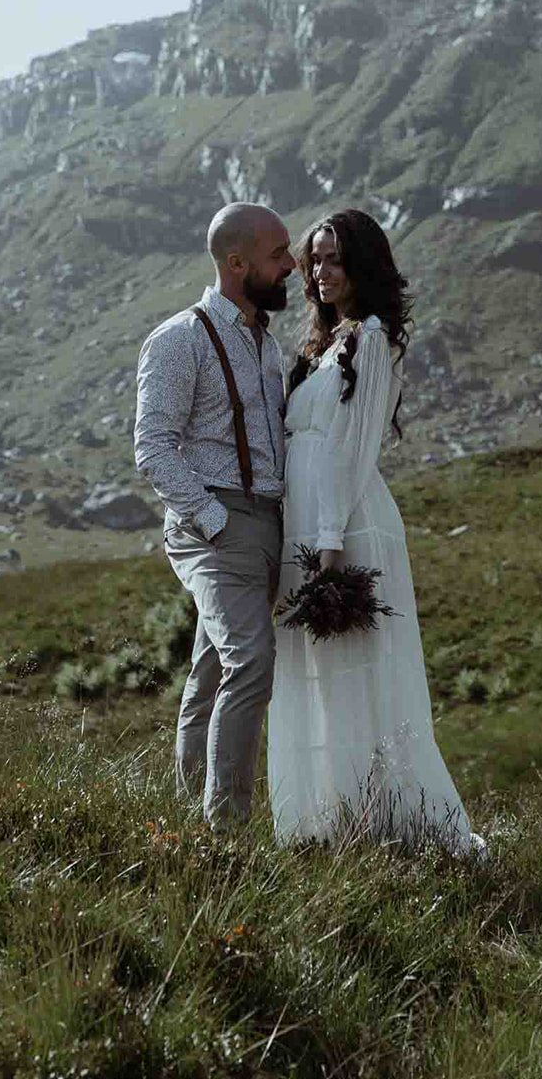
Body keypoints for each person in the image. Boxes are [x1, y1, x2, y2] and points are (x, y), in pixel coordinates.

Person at [268, 207, 482, 854]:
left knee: (355, 670)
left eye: (334, 259)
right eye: (314, 260)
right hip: (304, 519)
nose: (321, 272)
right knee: (314, 671)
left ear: (361, 264)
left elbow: (351, 449)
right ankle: (326, 822)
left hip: (345, 522)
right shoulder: (320, 347)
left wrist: (328, 546)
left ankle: (386, 823)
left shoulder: (372, 338)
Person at [135, 202, 296, 826]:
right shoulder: (178, 339)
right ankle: (224, 834)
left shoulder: (264, 342)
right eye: (278, 254)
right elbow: (152, 445)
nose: (291, 265)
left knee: (209, 674)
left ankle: (187, 828)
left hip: (265, 524)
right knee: (250, 663)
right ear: (237, 263)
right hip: (218, 526)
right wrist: (215, 521)